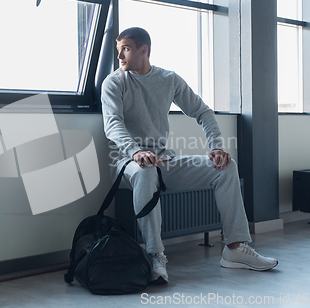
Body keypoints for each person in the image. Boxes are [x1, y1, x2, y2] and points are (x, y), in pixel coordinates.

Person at [101, 27, 278, 284]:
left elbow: (203, 112)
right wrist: (136, 151)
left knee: (226, 166)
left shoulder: (168, 79)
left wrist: (217, 146)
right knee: (145, 169)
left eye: (125, 49)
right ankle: (155, 256)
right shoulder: (114, 82)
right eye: (118, 50)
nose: (119, 56)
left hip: (165, 161)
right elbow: (112, 124)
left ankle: (234, 249)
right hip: (126, 163)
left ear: (144, 50)